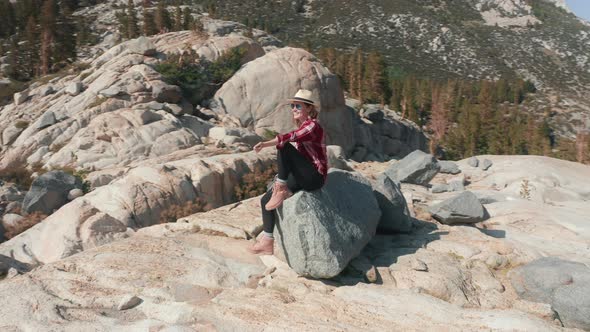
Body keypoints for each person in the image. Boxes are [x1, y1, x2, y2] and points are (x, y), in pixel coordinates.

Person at [248, 89, 328, 255]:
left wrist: (264, 144)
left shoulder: (313, 125)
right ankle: (268, 241)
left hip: (315, 176)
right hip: (304, 174)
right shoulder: (304, 125)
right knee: (265, 200)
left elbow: (290, 137)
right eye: (292, 106)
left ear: (309, 108)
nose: (294, 109)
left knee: (284, 146)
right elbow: (295, 161)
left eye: (298, 105)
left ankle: (282, 187)